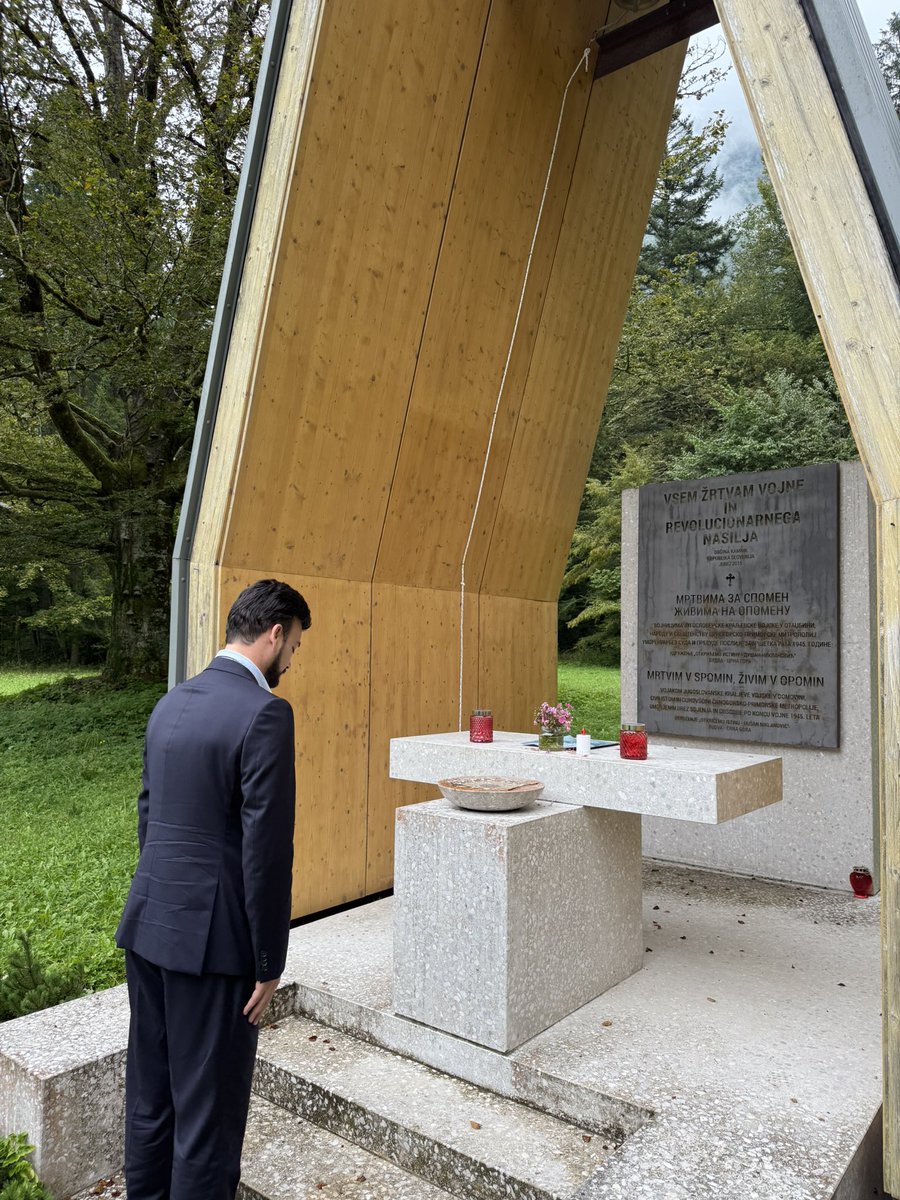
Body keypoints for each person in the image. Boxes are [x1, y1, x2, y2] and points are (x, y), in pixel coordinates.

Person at [116, 578, 311, 1200]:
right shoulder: (265, 713)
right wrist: (267, 960)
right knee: (210, 1119)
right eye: (296, 644)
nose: (292, 661)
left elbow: (149, 818)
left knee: (152, 1097)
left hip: (148, 925)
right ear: (275, 633)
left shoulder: (171, 702)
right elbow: (266, 850)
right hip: (214, 947)